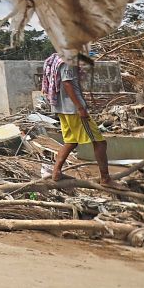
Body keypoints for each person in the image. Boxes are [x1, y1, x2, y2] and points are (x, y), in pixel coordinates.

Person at [50, 53, 119, 188]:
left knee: (71, 141)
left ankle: (56, 172)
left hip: (63, 109)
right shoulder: (69, 59)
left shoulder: (61, 57)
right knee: (100, 142)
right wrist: (80, 107)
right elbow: (67, 83)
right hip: (73, 110)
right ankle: (105, 178)